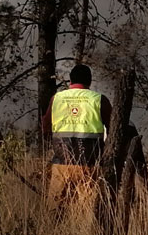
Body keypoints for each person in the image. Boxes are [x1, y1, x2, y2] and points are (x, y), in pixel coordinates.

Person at [42, 64, 112, 213]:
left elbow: (45, 128)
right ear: (90, 81)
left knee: (54, 214)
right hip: (90, 165)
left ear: (70, 80)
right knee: (87, 214)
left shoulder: (56, 99)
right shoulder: (99, 99)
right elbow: (113, 129)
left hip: (61, 164)